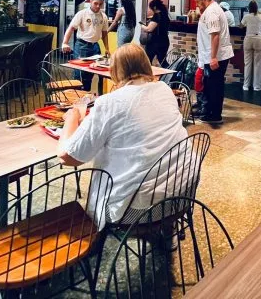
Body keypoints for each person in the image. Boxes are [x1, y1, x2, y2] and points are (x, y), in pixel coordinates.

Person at [57, 43, 188, 224]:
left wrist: (72, 117)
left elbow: (67, 157)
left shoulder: (110, 103)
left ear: (113, 72)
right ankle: (162, 232)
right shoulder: (165, 90)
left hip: (138, 208)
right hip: (183, 191)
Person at [193, 0, 234, 124]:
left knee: (214, 86)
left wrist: (213, 57)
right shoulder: (212, 9)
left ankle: (215, 115)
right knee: (211, 85)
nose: (197, 5)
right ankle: (210, 112)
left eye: (198, 2)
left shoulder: (212, 12)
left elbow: (215, 35)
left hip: (217, 56)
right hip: (213, 55)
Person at [62, 0, 110, 91]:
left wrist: (107, 48)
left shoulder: (103, 16)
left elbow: (104, 33)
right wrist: (65, 42)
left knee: (93, 72)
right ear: (90, 1)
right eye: (96, 3)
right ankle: (77, 94)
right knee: (80, 73)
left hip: (95, 46)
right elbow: (71, 28)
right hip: (82, 46)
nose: (98, 6)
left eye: (100, 4)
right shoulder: (82, 14)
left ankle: (87, 94)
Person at [240, 0, 261, 92]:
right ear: (257, 8)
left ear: (249, 8)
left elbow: (241, 26)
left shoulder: (246, 16)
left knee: (247, 64)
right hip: (258, 40)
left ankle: (246, 86)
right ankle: (257, 86)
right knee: (258, 64)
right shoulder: (260, 16)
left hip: (248, 39)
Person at [140, 0, 170, 66]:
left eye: (151, 8)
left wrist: (142, 25)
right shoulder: (165, 15)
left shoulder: (157, 16)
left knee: (147, 60)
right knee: (162, 61)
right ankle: (171, 71)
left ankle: (148, 72)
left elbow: (149, 29)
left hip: (155, 42)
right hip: (164, 41)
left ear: (155, 7)